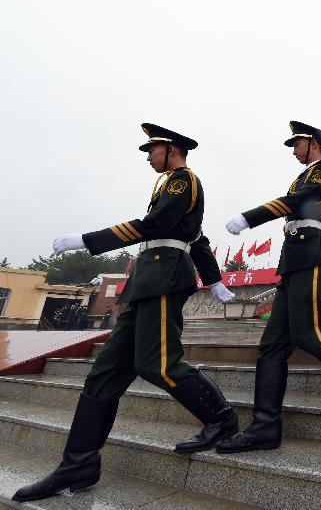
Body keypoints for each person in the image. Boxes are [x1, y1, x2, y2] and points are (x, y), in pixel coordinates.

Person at [14, 124, 238, 503]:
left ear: (172, 150)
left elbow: (158, 228)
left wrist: (88, 241)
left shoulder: (183, 181)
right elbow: (196, 237)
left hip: (166, 276)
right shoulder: (166, 188)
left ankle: (220, 417)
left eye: (152, 149)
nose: (148, 156)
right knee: (104, 374)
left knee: (159, 363)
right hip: (149, 278)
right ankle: (78, 463)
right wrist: (214, 279)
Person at [216, 121, 321, 455]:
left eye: (297, 144)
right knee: (272, 344)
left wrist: (251, 217)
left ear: (313, 144)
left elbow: (306, 205)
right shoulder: (304, 177)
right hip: (294, 258)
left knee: (310, 332)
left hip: (310, 253)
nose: (293, 150)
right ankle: (264, 428)